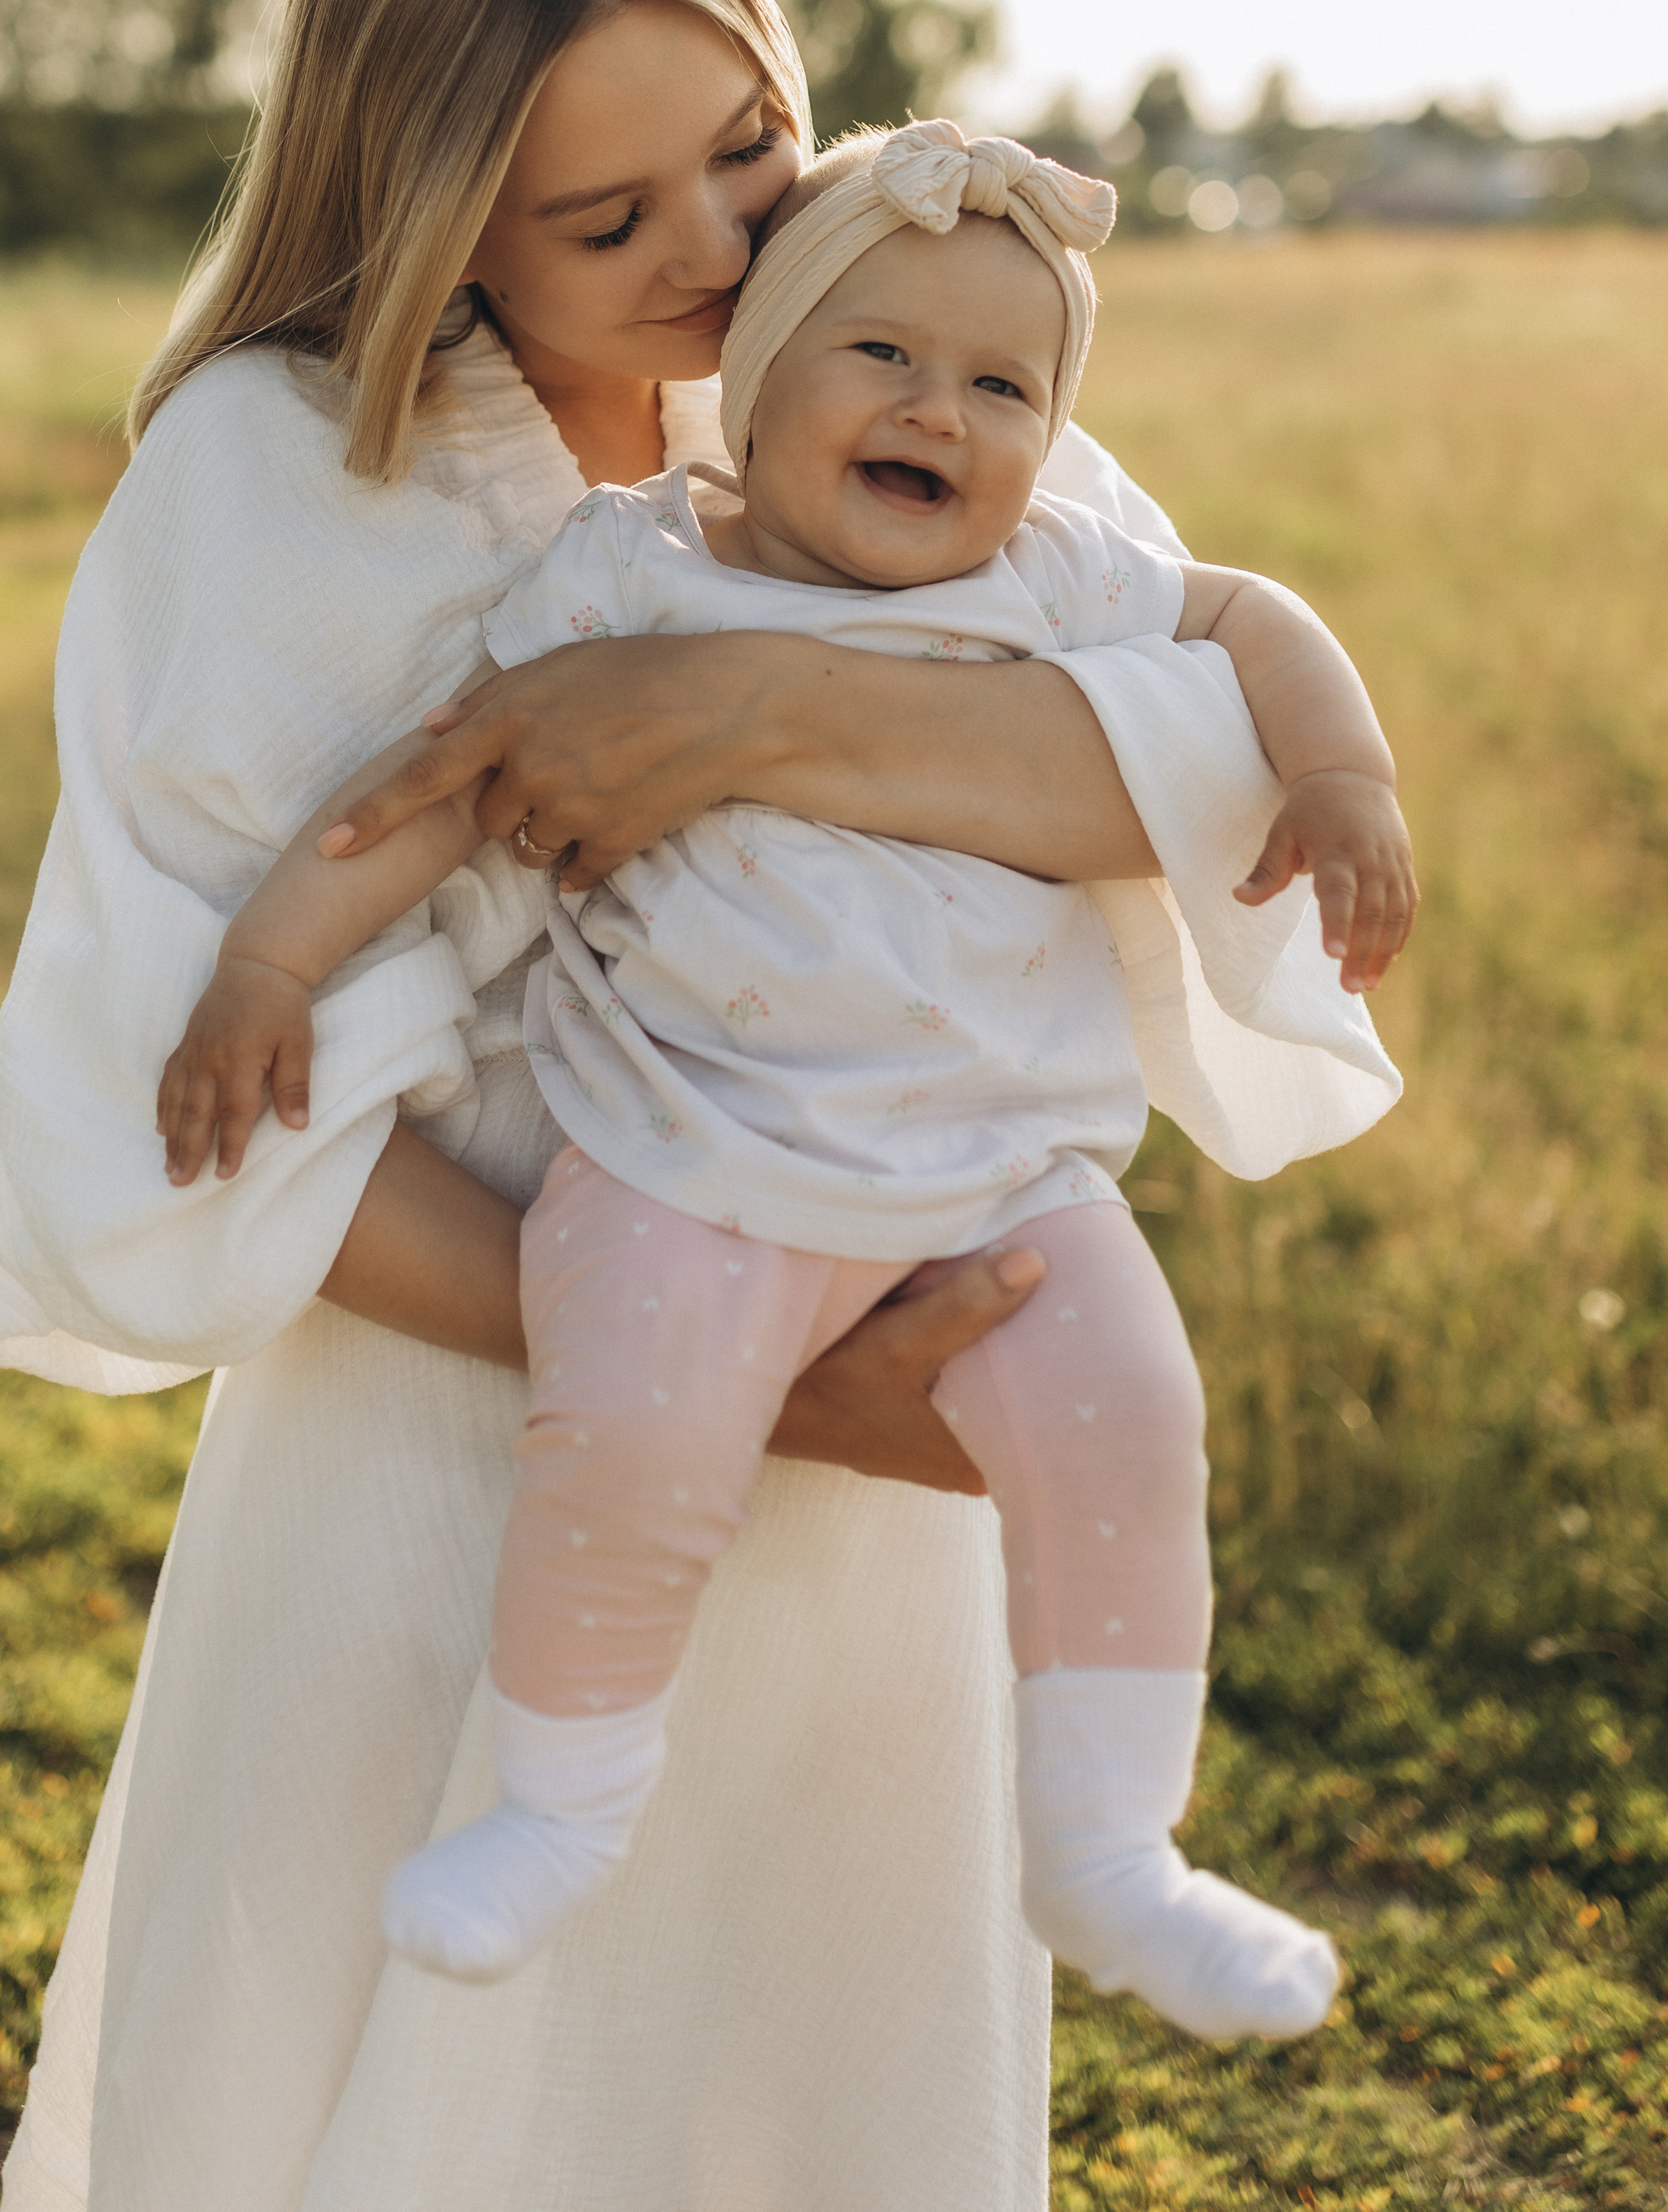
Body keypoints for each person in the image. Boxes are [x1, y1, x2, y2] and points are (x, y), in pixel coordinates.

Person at [0, 0, 1379, 2212]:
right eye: (609, 221)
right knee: (427, 2095)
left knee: (796, 2094)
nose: (726, 251)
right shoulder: (279, 480)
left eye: (751, 149)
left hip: (861, 1478)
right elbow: (164, 1093)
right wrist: (762, 1378)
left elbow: (1201, 749)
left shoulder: (879, 337)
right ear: (428, 223)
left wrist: (738, 723)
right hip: (460, 1433)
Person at [160, 116, 1411, 2044]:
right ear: (751, 383)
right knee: (625, 1452)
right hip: (688, 1159)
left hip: (1004, 1186)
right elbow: (438, 780)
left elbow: (1250, 621)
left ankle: (1110, 1851)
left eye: (1007, 384)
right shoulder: (632, 577)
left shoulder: (1058, 573)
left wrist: (1343, 780)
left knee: (1130, 1433)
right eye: (886, 358)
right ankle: (561, 1804)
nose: (947, 412)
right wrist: (269, 960)